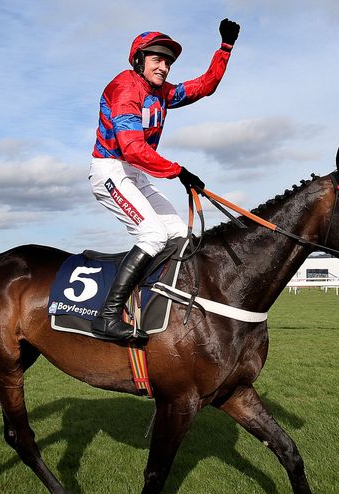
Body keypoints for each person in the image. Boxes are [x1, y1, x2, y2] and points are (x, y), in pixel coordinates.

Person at [89, 18, 240, 342]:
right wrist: (178, 172)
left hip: (135, 172)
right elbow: (131, 147)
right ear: (139, 60)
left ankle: (155, 300)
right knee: (153, 234)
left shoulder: (162, 93)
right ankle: (108, 316)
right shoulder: (126, 88)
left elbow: (204, 86)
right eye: (157, 59)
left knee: (177, 234)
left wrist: (225, 48)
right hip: (111, 170)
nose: (164, 66)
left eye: (168, 61)